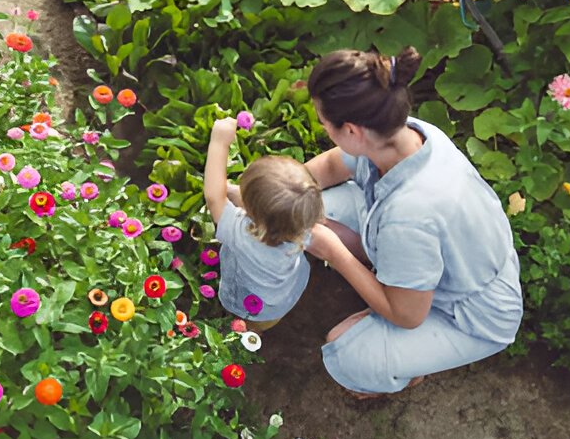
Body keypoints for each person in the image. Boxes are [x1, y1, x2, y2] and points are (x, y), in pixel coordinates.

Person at [303, 47, 523, 398]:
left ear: (352, 131)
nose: (322, 127)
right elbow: (332, 167)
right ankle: (391, 284)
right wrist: (284, 190)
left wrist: (335, 252)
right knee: (312, 209)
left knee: (347, 354)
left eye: (323, 121)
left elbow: (406, 315)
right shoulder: (407, 135)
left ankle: (406, 370)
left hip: (471, 313)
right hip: (448, 258)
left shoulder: (410, 216)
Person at [204, 117, 325, 331]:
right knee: (266, 319)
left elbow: (214, 197)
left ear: (252, 214)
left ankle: (242, 334)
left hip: (250, 302)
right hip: (282, 297)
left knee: (245, 324)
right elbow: (272, 213)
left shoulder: (241, 234)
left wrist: (219, 142)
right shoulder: (302, 225)